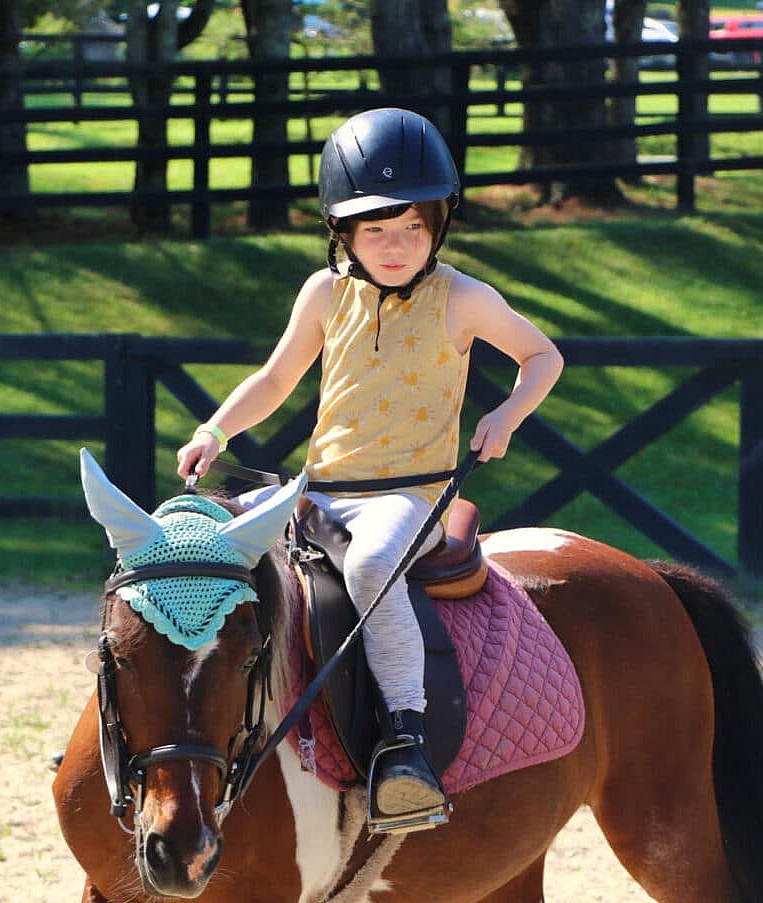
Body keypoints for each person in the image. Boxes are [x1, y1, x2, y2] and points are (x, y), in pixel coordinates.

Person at [177, 107, 563, 821]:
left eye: (413, 227)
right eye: (376, 231)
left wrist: (506, 415)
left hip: (405, 497)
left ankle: (407, 739)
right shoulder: (326, 294)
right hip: (318, 492)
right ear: (343, 233)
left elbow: (544, 356)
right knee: (208, 559)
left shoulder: (465, 298)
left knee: (368, 567)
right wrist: (215, 429)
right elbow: (273, 379)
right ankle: (163, 734)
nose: (396, 246)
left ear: (438, 225)